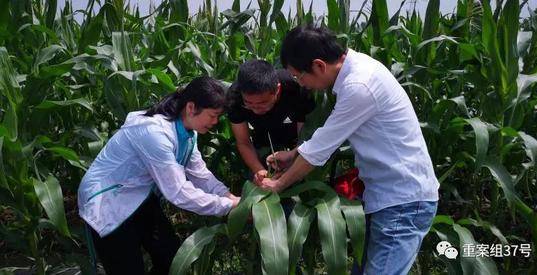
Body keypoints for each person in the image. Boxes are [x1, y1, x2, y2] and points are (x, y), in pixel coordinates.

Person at [259, 26, 440, 275]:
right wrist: (292, 154)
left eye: (300, 77)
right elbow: (329, 134)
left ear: (319, 66)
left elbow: (319, 151)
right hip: (388, 199)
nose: (303, 85)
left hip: (403, 203)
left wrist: (278, 185)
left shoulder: (359, 85)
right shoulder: (358, 71)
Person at [78, 76, 240, 275]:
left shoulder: (189, 132)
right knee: (128, 268)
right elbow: (178, 192)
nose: (216, 122)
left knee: (171, 257)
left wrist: (228, 196)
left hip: (138, 196)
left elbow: (200, 174)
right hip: (107, 202)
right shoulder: (154, 133)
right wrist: (228, 206)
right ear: (191, 107)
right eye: (213, 115)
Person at [227, 59, 315, 184]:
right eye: (249, 104)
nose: (256, 109)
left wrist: (294, 157)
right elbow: (244, 142)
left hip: (294, 138)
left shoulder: (296, 87)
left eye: (263, 103)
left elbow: (305, 132)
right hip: (261, 139)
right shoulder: (234, 97)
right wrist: (260, 172)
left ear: (277, 90)